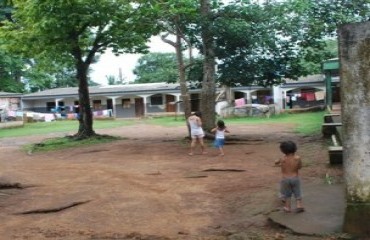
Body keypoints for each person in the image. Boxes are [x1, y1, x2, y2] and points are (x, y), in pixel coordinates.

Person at [275, 140, 304, 213]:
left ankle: (287, 207)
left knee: (287, 194)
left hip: (285, 179)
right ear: (295, 148)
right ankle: (299, 205)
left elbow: (276, 162)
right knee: (297, 192)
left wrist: (278, 162)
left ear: (283, 150)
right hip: (295, 178)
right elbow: (300, 167)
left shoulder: (282, 159)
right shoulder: (297, 158)